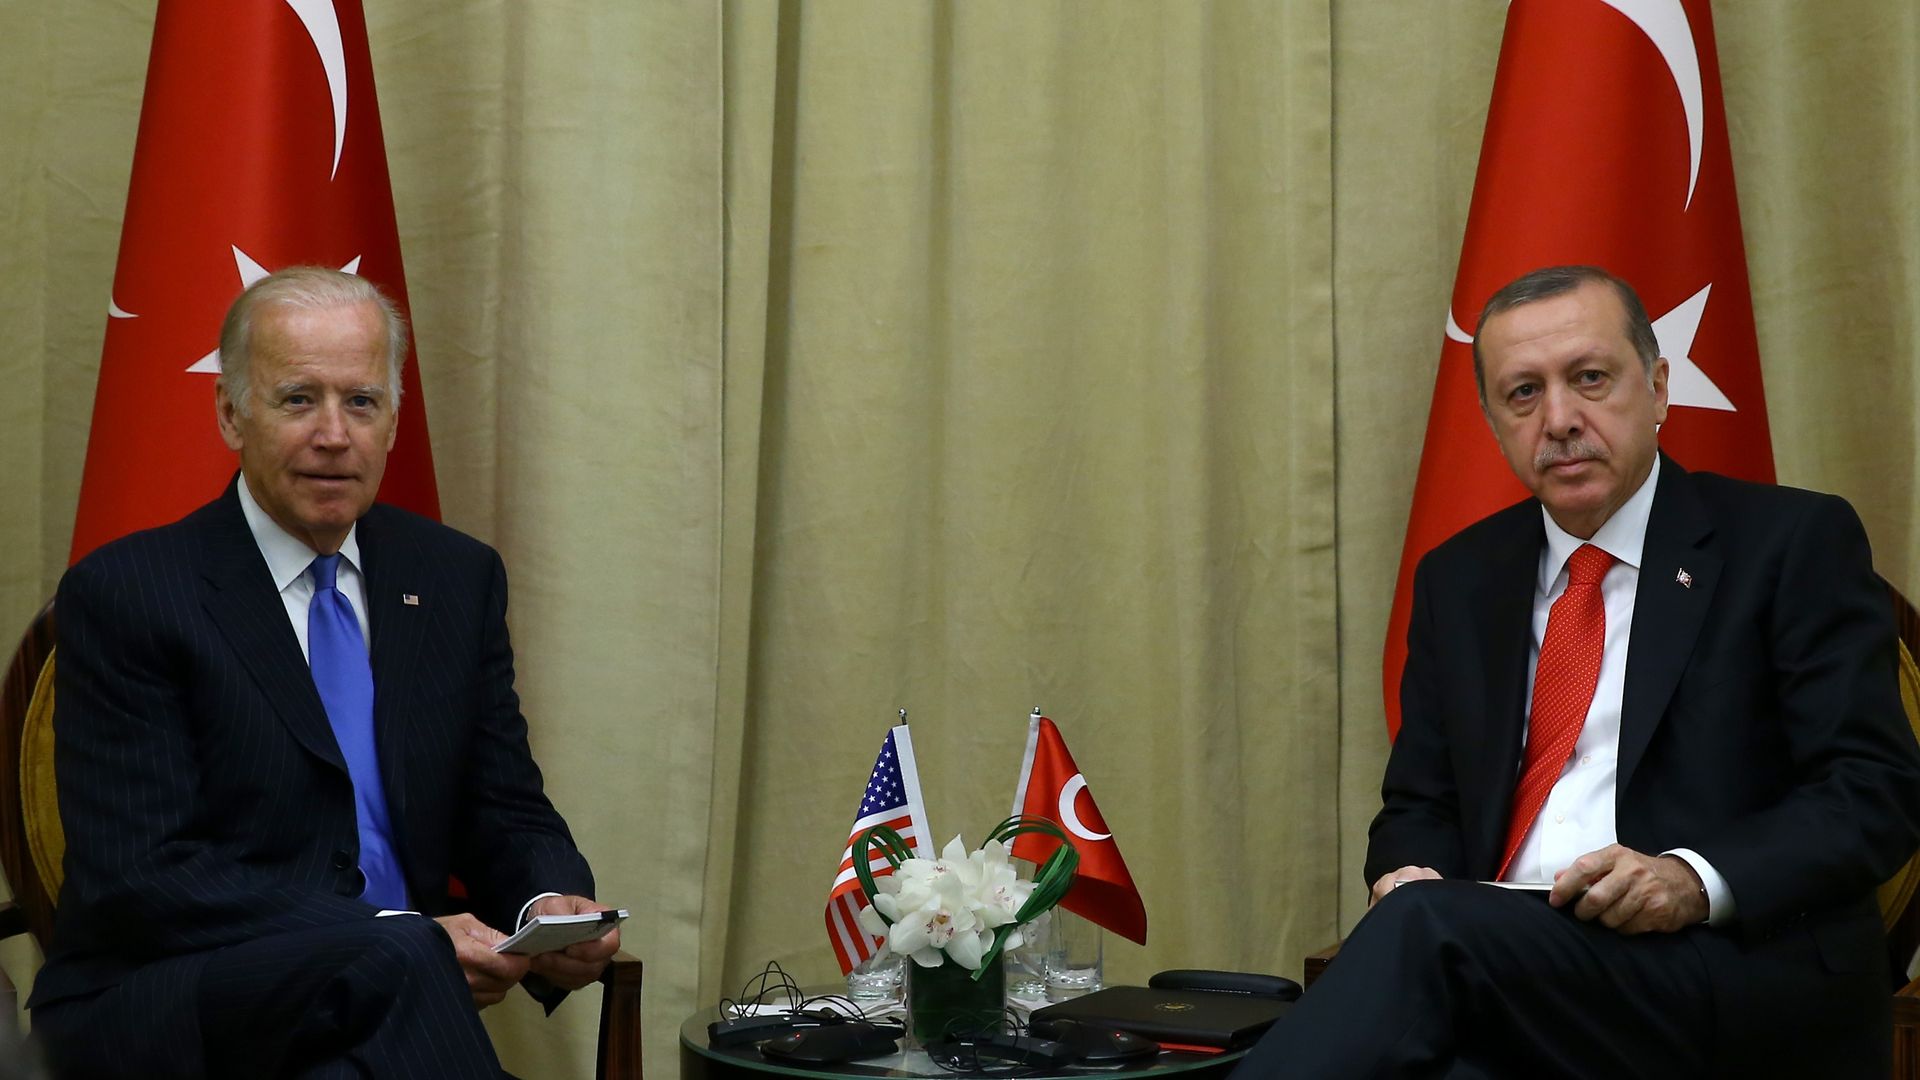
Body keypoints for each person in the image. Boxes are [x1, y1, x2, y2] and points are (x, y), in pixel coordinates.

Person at [1235, 265, 1920, 1077]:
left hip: (1719, 964)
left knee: (1423, 937)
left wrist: (1691, 879)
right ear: (1492, 422)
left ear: (1658, 389)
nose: (1559, 419)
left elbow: (1872, 791)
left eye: (1590, 378)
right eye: (1523, 393)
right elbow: (1421, 803)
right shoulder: (1461, 578)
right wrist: (1407, 872)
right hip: (1504, 959)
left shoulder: (1788, 542)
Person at [27, 267, 619, 1078]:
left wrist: (547, 902)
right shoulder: (131, 592)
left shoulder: (454, 577)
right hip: (179, 994)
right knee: (399, 963)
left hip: (382, 1010)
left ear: (393, 421)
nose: (334, 434)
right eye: (299, 399)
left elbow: (503, 803)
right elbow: (146, 877)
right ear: (231, 413)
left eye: (362, 402)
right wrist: (390, 932)